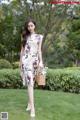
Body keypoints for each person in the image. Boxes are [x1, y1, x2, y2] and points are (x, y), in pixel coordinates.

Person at [19, 18, 44, 117]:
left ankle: (29, 103)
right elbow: (22, 51)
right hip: (26, 62)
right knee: (30, 84)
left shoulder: (39, 37)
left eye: (31, 26)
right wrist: (20, 64)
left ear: (35, 26)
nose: (30, 28)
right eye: (28, 26)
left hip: (35, 62)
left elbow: (39, 50)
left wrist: (41, 61)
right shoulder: (24, 36)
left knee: (32, 83)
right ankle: (33, 108)